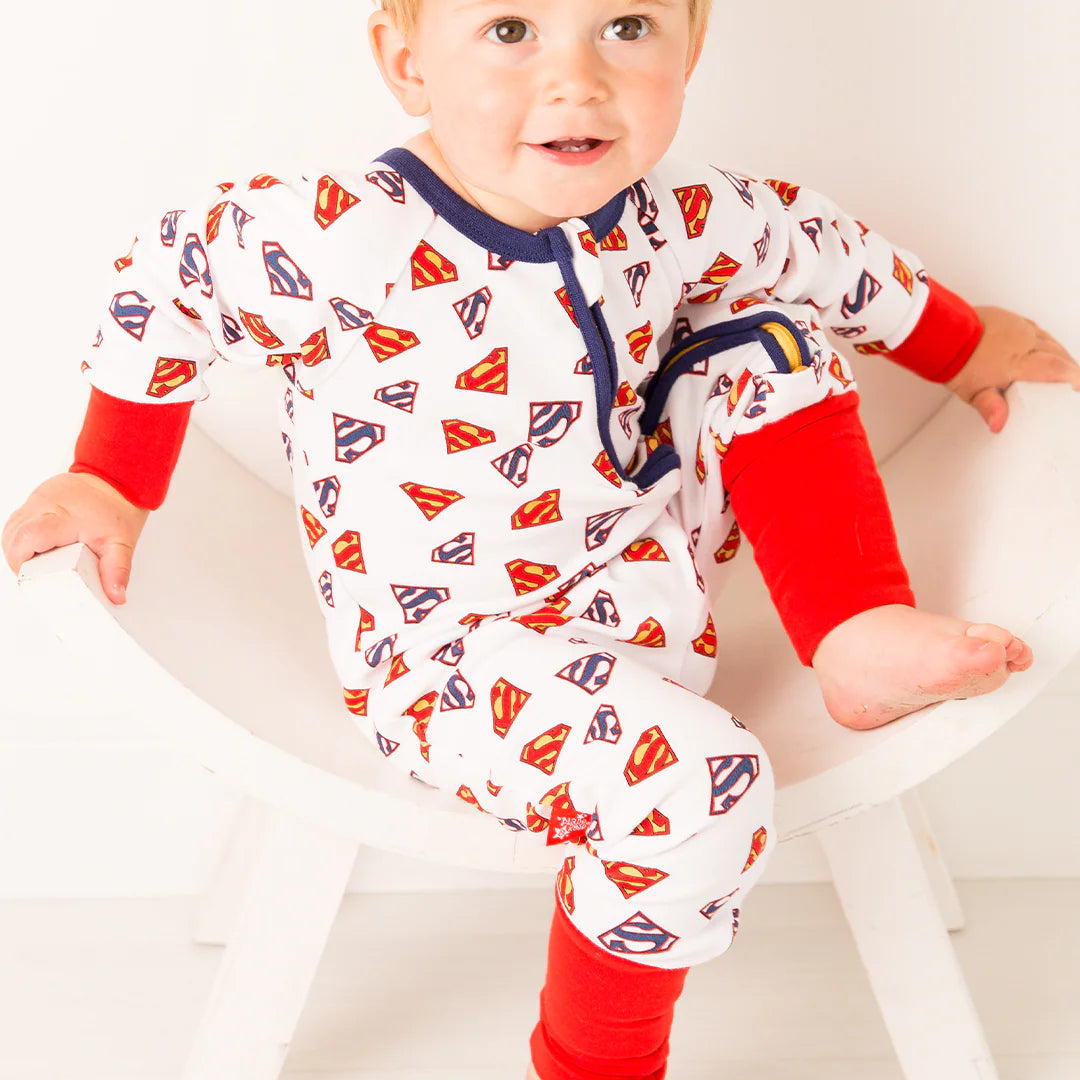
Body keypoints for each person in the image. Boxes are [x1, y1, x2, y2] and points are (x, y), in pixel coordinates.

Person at [3, 1, 1078, 1076]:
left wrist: (967, 342)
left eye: (627, 26)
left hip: (646, 580)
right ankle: (591, 1064)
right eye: (512, 30)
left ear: (693, 47)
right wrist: (112, 476)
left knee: (770, 343)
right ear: (405, 59)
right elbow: (168, 283)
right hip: (455, 656)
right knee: (703, 788)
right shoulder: (336, 235)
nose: (577, 77)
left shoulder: (688, 213)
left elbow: (826, 255)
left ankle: (852, 624)